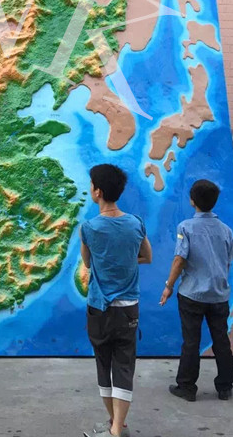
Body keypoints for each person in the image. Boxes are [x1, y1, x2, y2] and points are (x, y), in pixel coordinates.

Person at [81, 164, 152, 437]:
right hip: (129, 308)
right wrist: (126, 259)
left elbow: (88, 262)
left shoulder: (89, 228)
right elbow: (147, 256)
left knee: (104, 364)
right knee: (124, 366)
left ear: (98, 192)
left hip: (100, 308)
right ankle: (117, 426)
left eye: (92, 185)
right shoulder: (136, 223)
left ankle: (114, 429)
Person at [160, 179, 233, 402]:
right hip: (219, 295)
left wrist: (168, 286)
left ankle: (186, 387)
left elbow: (179, 259)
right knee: (221, 340)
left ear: (192, 201)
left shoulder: (185, 227)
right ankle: (225, 387)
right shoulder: (226, 230)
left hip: (192, 294)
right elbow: (228, 261)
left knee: (191, 341)